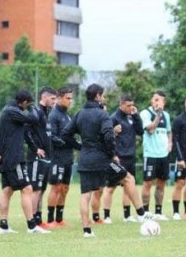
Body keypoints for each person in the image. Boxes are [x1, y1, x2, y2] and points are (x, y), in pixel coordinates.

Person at [62, 84, 152, 237]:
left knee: (85, 195)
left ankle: (87, 231)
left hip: (86, 159)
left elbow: (65, 134)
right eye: (102, 96)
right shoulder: (102, 114)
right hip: (102, 159)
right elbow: (108, 136)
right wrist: (110, 153)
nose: (103, 98)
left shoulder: (79, 114)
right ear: (97, 96)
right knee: (128, 178)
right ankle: (142, 214)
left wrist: (79, 146)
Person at [0, 90, 51, 234]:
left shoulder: (11, 113)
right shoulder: (11, 111)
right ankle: (32, 226)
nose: (29, 107)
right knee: (27, 188)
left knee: (7, 190)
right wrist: (33, 107)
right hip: (14, 159)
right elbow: (33, 119)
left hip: (7, 157)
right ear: (24, 102)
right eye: (28, 104)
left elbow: (23, 133)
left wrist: (35, 148)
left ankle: (3, 225)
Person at [101, 94, 144, 223]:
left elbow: (140, 131)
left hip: (130, 156)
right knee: (111, 188)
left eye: (132, 105)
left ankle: (127, 215)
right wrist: (113, 155)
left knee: (128, 186)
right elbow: (106, 137)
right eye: (128, 105)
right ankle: (107, 216)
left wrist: (136, 115)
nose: (131, 107)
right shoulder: (113, 118)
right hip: (118, 158)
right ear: (121, 105)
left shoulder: (131, 117)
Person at [46, 87, 80, 227]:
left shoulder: (68, 116)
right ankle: (50, 220)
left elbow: (70, 137)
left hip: (68, 157)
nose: (70, 101)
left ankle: (59, 219)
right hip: (57, 158)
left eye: (71, 98)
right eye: (68, 98)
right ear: (59, 98)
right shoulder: (54, 115)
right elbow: (52, 137)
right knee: (56, 188)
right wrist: (65, 142)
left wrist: (80, 146)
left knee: (65, 188)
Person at [24, 86, 57, 228]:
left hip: (46, 157)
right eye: (53, 98)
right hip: (37, 157)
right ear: (44, 97)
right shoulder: (35, 111)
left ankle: (38, 219)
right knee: (36, 188)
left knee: (42, 189)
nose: (54, 102)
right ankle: (32, 222)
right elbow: (26, 132)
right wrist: (35, 148)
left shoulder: (45, 113)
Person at [140, 90, 172, 221]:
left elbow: (169, 131)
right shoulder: (145, 113)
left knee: (161, 184)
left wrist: (170, 143)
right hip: (150, 154)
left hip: (163, 155)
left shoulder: (167, 115)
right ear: (151, 100)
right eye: (155, 99)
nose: (157, 102)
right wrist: (158, 114)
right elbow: (151, 130)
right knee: (147, 183)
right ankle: (145, 212)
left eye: (160, 100)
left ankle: (158, 212)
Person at [171, 94, 186, 221]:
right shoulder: (179, 120)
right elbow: (175, 140)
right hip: (182, 158)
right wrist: (180, 158)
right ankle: (175, 212)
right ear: (185, 104)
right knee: (180, 183)